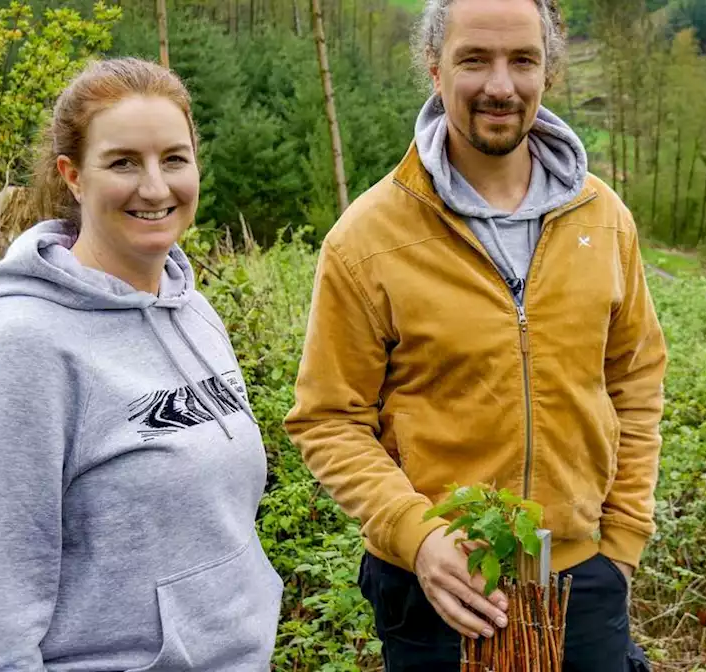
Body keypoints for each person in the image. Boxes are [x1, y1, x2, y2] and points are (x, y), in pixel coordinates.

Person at [283, 0, 667, 669]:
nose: (500, 84)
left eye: (523, 60)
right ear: (434, 68)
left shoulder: (604, 220)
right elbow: (328, 419)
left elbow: (635, 381)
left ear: (548, 71)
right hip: (437, 592)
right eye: (474, 60)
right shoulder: (368, 238)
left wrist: (624, 541)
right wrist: (418, 537)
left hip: (583, 581)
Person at [0, 57, 282, 670]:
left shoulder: (193, 311)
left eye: (174, 158)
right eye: (123, 162)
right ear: (73, 176)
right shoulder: (19, 352)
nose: (155, 187)